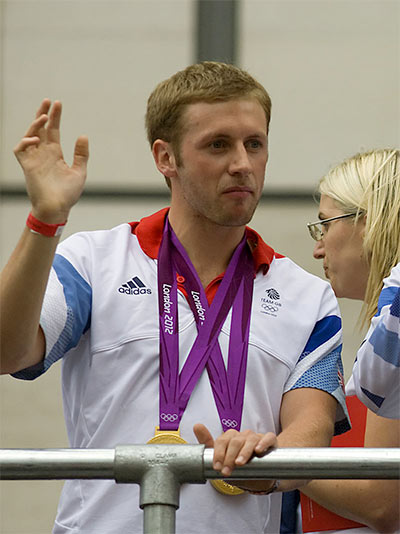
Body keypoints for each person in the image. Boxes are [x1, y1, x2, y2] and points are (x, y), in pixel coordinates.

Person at [0, 61, 349, 534]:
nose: (242, 164)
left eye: (255, 144)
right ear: (166, 158)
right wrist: (45, 219)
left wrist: (268, 466)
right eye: (218, 145)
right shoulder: (94, 262)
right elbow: (9, 351)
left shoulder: (308, 296)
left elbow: (311, 434)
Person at [301, 148, 400, 534]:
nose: (317, 248)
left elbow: (380, 502)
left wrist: (274, 457)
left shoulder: (393, 326)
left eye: (325, 224)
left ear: (369, 221)